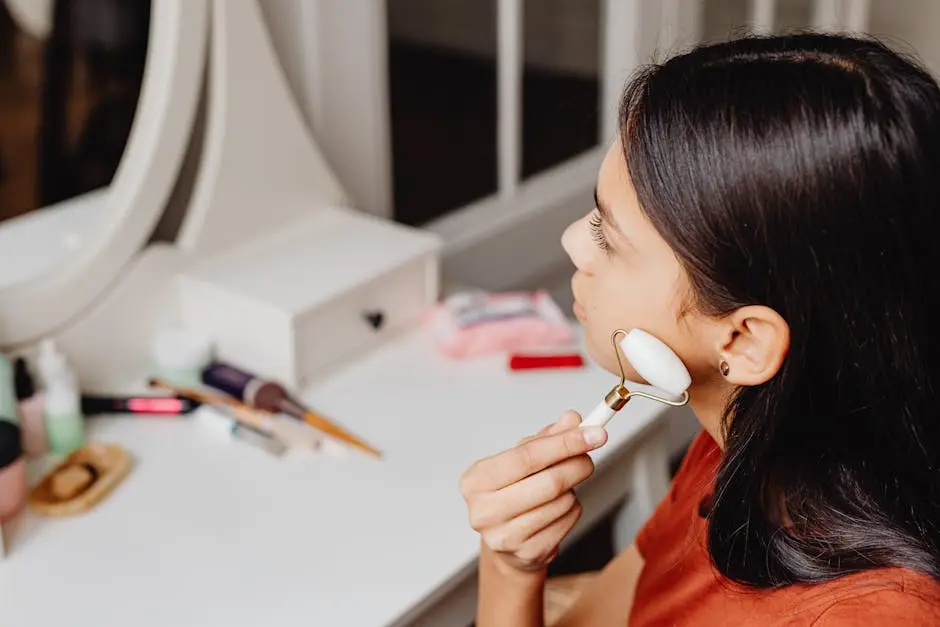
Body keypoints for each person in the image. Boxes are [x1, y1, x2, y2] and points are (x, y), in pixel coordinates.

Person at [459, 33, 940, 626]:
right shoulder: (744, 450)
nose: (572, 242)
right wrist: (510, 566)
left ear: (744, 341)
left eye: (610, 237)